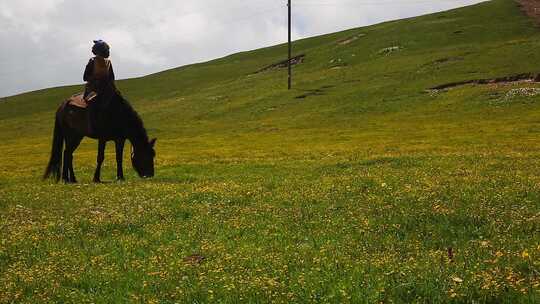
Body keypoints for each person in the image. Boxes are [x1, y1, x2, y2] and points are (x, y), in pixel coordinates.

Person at [83, 40, 116, 134]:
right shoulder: (92, 62)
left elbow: (112, 78)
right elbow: (85, 77)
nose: (107, 51)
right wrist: (97, 79)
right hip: (93, 90)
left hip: (106, 90)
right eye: (106, 49)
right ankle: (92, 126)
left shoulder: (108, 63)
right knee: (93, 103)